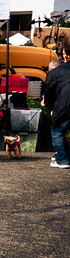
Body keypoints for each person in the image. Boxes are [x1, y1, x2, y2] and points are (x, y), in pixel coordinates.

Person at [43, 39, 70, 168]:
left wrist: (51, 107)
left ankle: (63, 159)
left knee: (57, 131)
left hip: (64, 106)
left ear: (65, 54)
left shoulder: (55, 72)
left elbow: (48, 94)